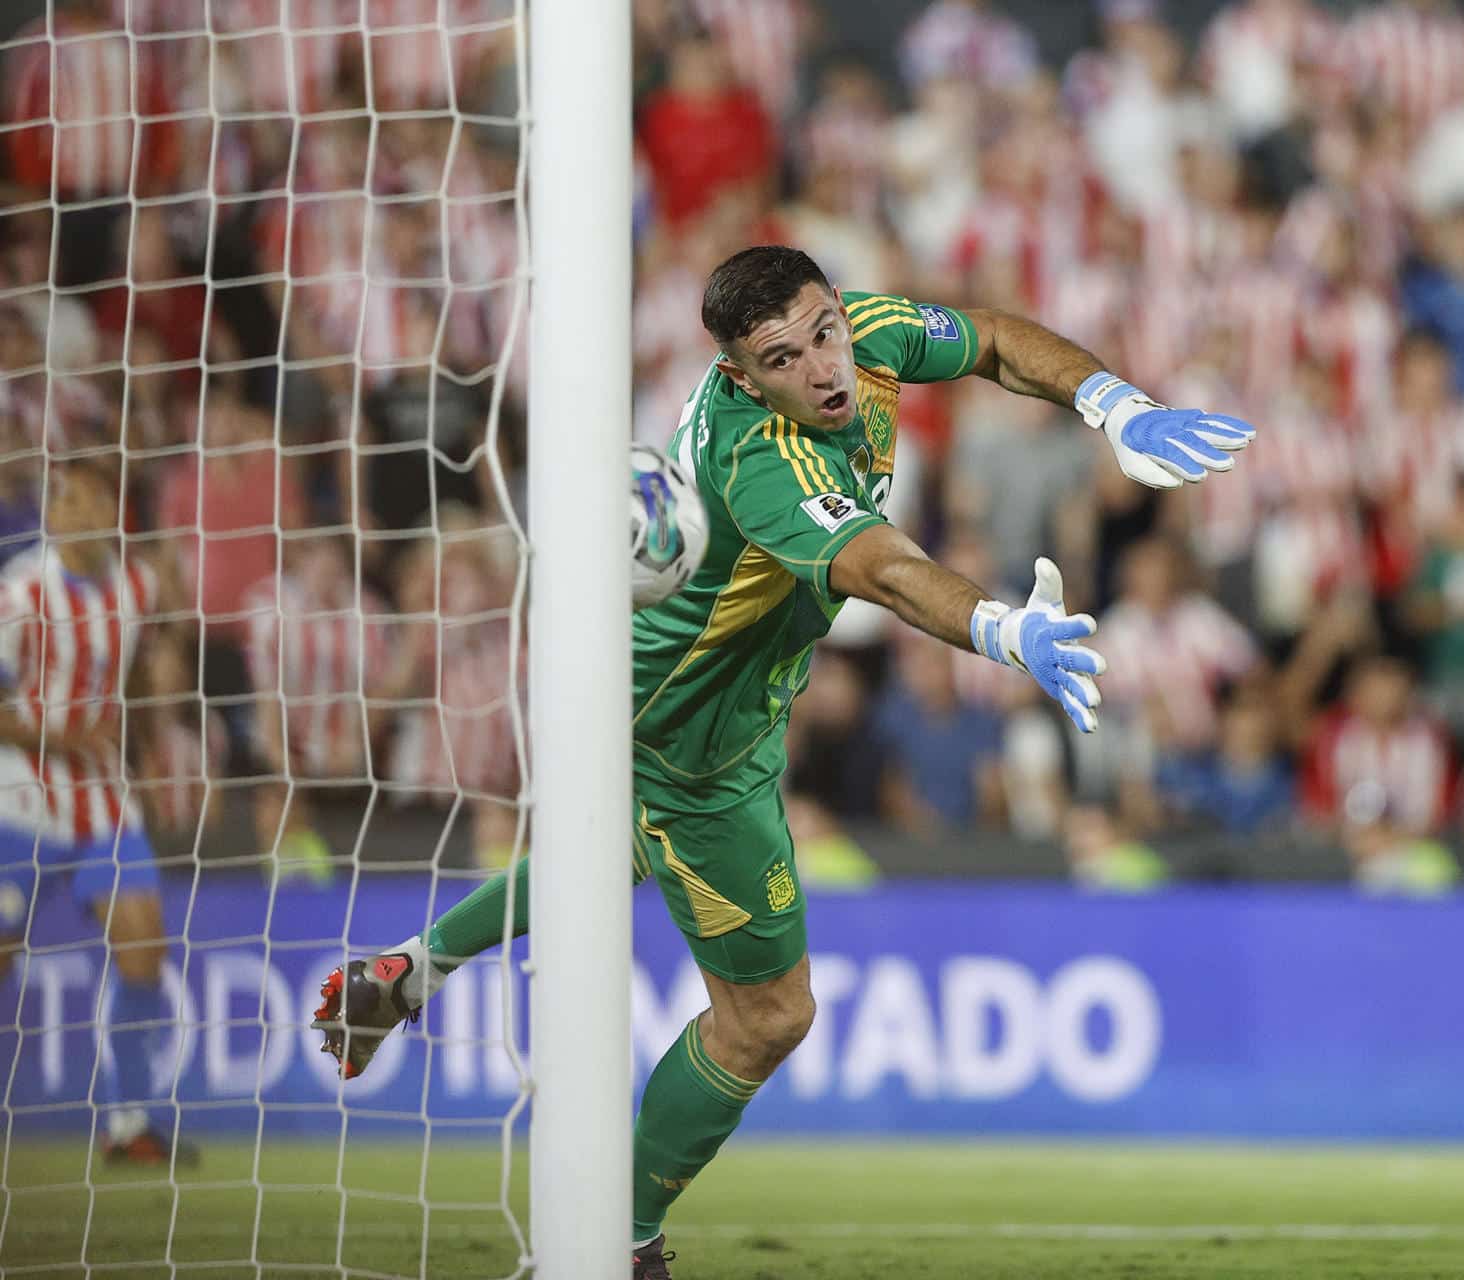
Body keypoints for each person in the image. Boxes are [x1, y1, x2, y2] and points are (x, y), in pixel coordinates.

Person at [308, 245, 1255, 1277]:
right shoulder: (761, 458)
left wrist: (1113, 405)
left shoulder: (865, 332)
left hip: (673, 703)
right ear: (738, 374)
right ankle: (608, 1242)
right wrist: (999, 628)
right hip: (689, 744)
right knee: (769, 1014)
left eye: (824, 332)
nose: (822, 369)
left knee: (611, 854)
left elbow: (988, 340)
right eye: (782, 356)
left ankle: (410, 971)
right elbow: (878, 567)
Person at [0, 459, 191, 1165]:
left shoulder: (135, 584)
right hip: (19, 798)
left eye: (83, 497)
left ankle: (130, 1124)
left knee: (145, 953)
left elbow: (137, 663)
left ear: (108, 506)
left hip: (106, 800)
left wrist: (151, 730)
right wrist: (61, 737)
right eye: (61, 498)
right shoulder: (20, 592)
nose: (68, 510)